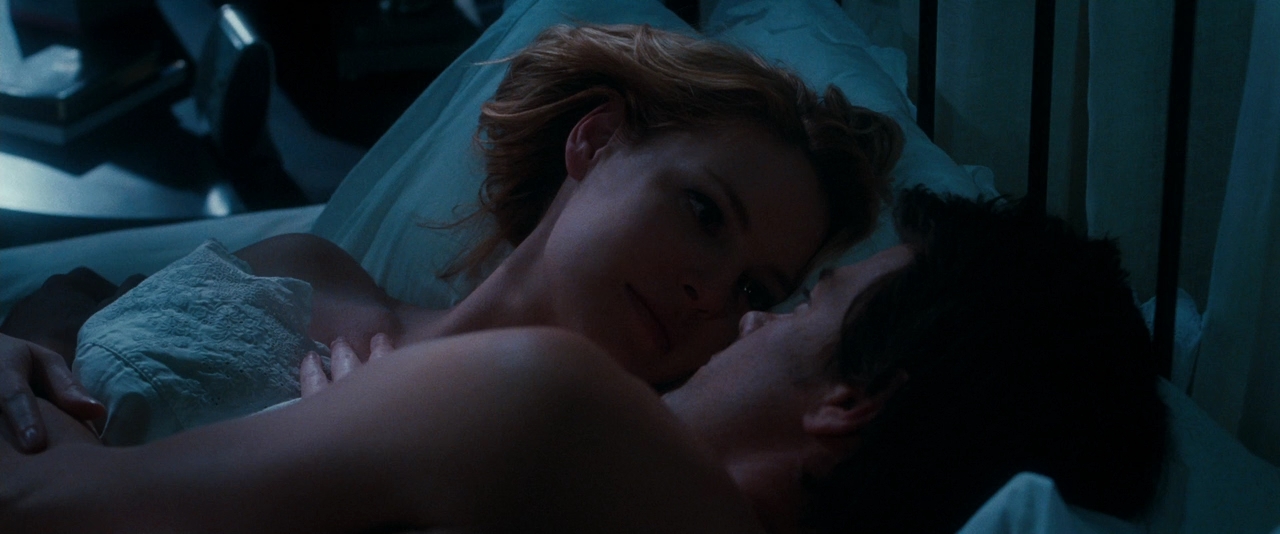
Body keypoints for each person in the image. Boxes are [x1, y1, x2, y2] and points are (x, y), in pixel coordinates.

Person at [0, 188, 1169, 533]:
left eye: (794, 301)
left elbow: (41, 508)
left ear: (853, 401)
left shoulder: (552, 401)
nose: (738, 320)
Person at [0, 23, 904, 451]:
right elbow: (83, 295)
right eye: (704, 212)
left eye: (754, 289)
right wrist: (27, 341)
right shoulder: (314, 270)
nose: (712, 295)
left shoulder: (580, 469)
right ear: (595, 139)